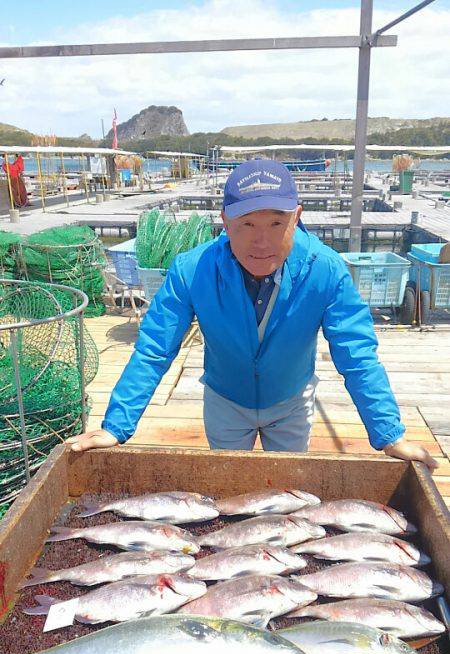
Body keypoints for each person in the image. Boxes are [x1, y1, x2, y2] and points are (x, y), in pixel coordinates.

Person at [67, 159, 437, 472]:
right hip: (225, 401)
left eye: (276, 224)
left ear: (296, 218)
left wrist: (390, 435)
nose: (262, 243)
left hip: (291, 401)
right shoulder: (190, 270)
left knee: (289, 492)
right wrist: (115, 426)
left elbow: (357, 354)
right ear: (225, 221)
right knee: (230, 492)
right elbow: (154, 350)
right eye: (247, 224)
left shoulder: (326, 269)